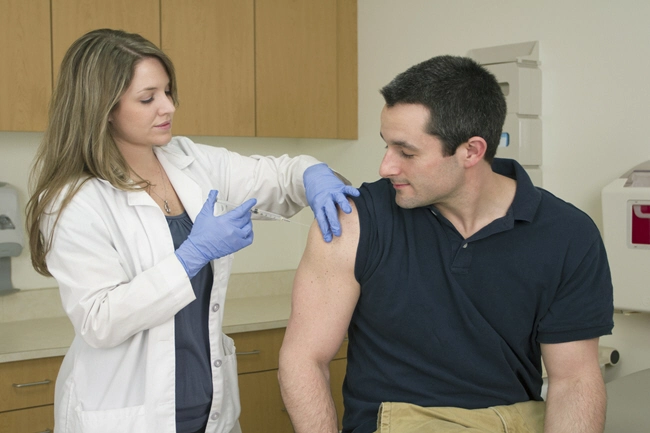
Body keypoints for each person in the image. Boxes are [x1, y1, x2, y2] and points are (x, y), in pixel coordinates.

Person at [25, 28, 358, 433]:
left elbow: (278, 176)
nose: (167, 107)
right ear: (103, 107)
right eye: (148, 98)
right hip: (128, 413)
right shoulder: (74, 199)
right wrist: (191, 256)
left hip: (209, 406)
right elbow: (99, 321)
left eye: (168, 92)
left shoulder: (189, 160)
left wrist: (313, 173)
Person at [278, 55, 614, 433]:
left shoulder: (567, 235)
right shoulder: (355, 219)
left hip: (511, 421)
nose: (385, 167)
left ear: (471, 151)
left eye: (406, 152)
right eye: (386, 146)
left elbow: (574, 381)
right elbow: (303, 358)